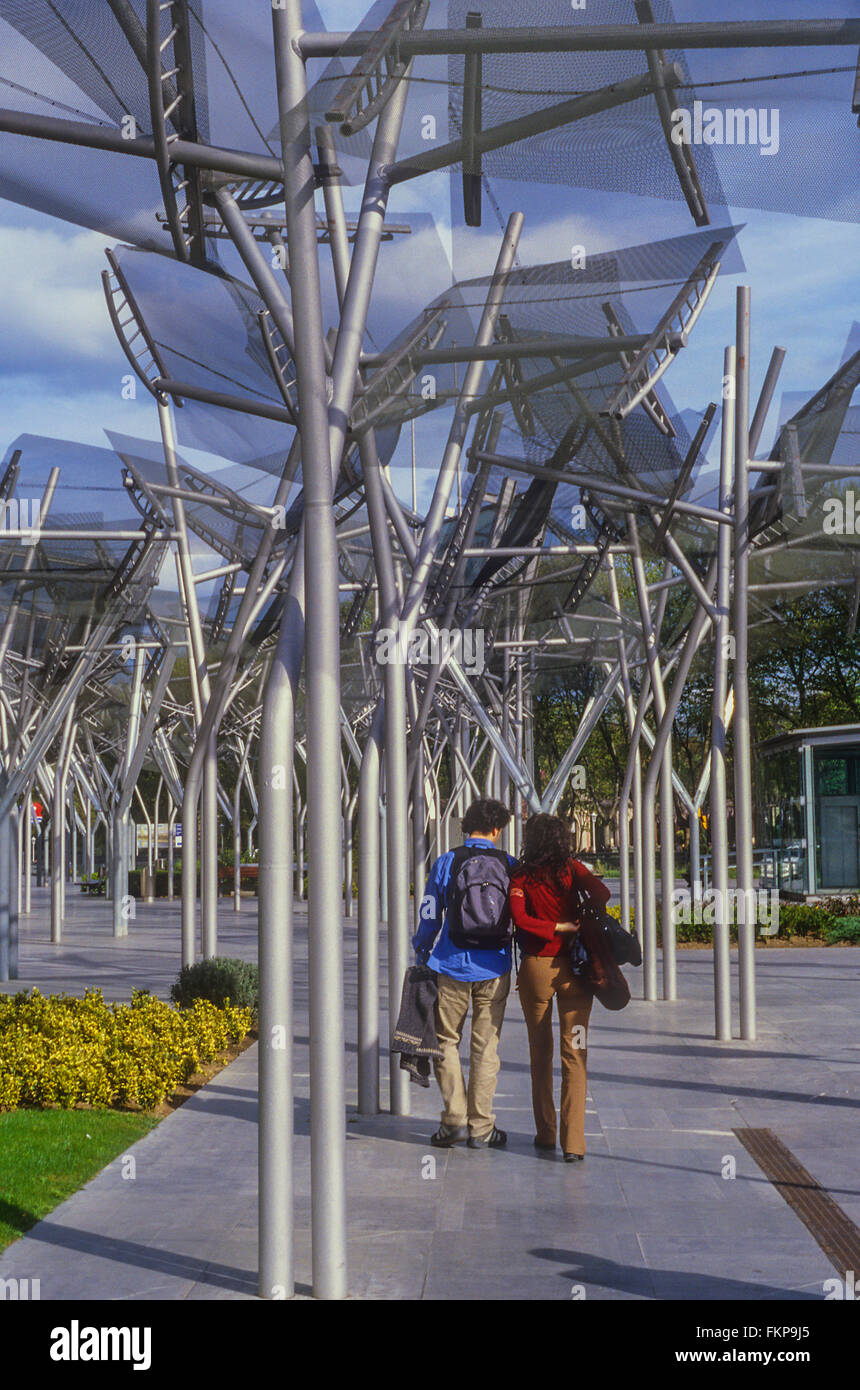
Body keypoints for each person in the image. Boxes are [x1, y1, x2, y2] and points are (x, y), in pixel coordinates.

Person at [412, 797, 514, 1150]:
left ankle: (454, 1121)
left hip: (451, 964)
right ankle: (482, 1127)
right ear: (497, 830)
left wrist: (423, 949)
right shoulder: (508, 864)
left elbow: (429, 913)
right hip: (495, 968)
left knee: (445, 1041)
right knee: (487, 1049)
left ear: (464, 826)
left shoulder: (447, 862)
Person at [509, 813, 611, 1162]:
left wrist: (554, 927)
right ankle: (574, 1143)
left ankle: (546, 1132)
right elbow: (602, 891)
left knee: (540, 1054)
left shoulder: (520, 876)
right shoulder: (572, 869)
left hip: (536, 969)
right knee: (576, 1052)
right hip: (577, 973)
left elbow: (520, 919)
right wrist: (578, 919)